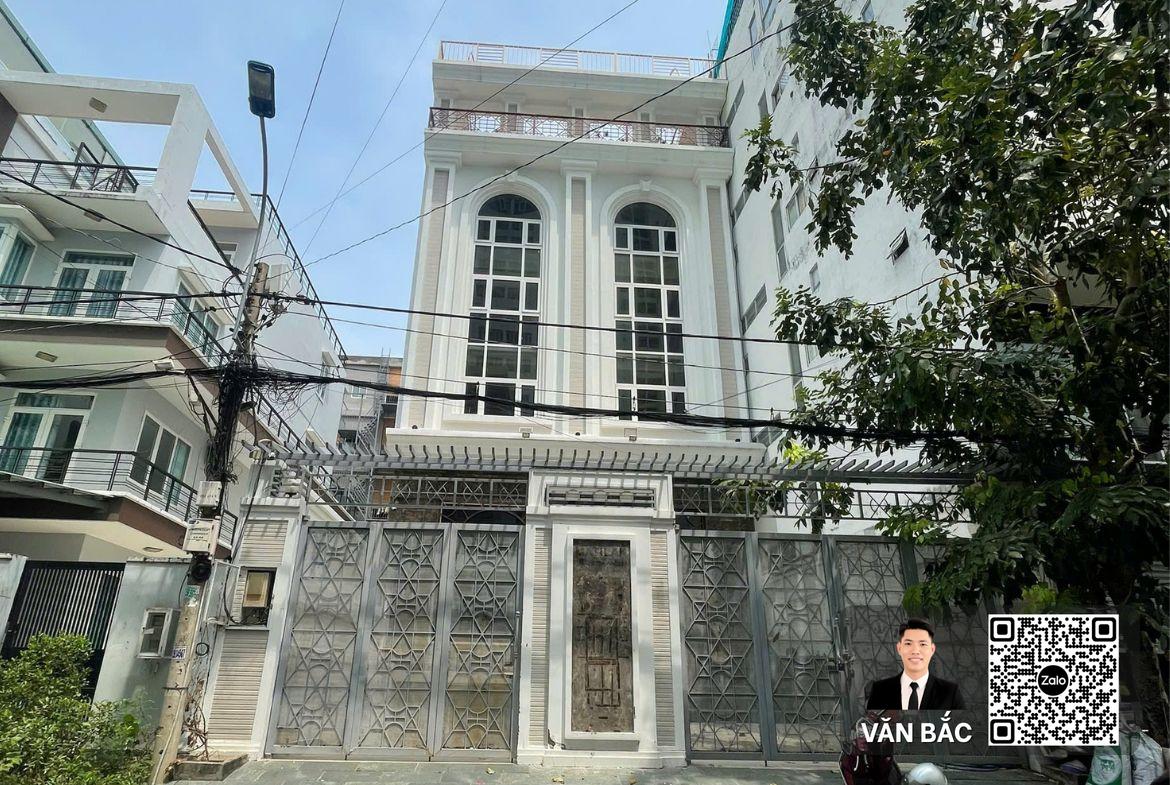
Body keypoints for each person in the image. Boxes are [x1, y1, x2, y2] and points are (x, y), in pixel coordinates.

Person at [865, 618, 965, 710]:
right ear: (899, 648)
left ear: (932, 649)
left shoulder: (950, 693)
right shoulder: (880, 691)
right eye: (908, 643)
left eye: (923, 644)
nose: (915, 651)